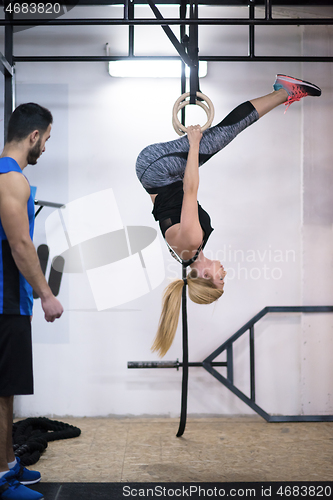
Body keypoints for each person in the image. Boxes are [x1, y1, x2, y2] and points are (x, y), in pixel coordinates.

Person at [136, 74, 321, 357]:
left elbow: (189, 190)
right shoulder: (187, 252)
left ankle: (285, 91)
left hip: (157, 169)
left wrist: (194, 143)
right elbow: (162, 202)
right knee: (221, 136)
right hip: (157, 175)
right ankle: (281, 93)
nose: (225, 273)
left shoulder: (192, 242)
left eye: (221, 279)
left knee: (220, 137)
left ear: (206, 276)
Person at [0, 103, 64, 500]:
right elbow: (20, 243)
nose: (46, 148)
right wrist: (47, 295)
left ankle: (8, 465)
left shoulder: (10, 178)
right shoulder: (11, 180)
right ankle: (0, 481)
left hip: (9, 301)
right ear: (34, 136)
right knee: (1, 390)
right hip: (4, 300)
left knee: (6, 390)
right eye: (48, 139)